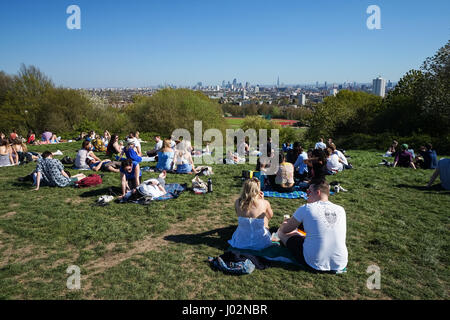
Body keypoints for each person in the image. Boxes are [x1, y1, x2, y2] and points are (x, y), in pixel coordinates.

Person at [277, 180, 348, 272]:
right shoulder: (341, 209)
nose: (307, 195)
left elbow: (286, 230)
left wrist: (284, 224)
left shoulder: (306, 208)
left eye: (308, 192)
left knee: (281, 233)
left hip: (313, 261)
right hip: (340, 262)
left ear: (318, 192)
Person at [228, 178, 274, 250]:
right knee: (264, 216)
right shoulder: (265, 203)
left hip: (241, 242)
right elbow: (270, 216)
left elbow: (238, 214)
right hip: (261, 243)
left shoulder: (237, 202)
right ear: (257, 190)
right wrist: (262, 200)